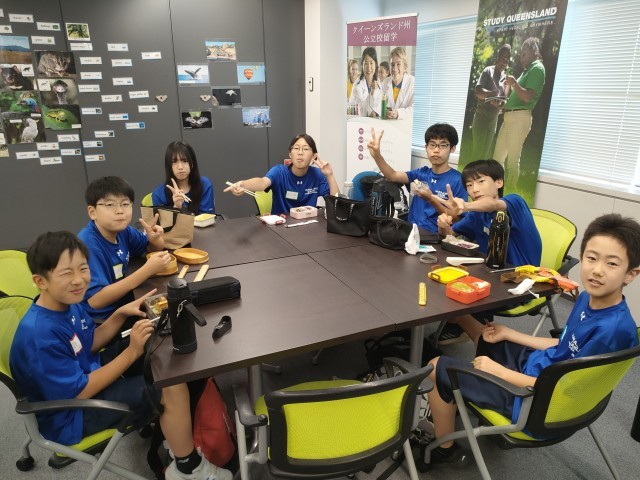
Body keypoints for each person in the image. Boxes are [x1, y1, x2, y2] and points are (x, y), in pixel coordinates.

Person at [421, 213, 640, 471]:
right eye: (592, 258)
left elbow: (562, 390)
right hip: (538, 372)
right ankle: (463, 392)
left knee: (436, 366)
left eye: (612, 263)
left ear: (631, 274)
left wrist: (500, 372)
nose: (597, 270)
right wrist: (510, 334)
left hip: (534, 404)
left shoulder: (612, 331)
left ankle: (445, 450)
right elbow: (565, 348)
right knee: (487, 334)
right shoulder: (588, 300)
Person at [9, 231, 232, 480]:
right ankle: (188, 469)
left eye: (83, 269)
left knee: (158, 347)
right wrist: (130, 352)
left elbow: (88, 344)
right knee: (169, 384)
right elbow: (79, 392)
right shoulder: (40, 336)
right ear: (40, 281)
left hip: (85, 373)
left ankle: (176, 434)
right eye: (66, 273)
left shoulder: (66, 302)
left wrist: (119, 315)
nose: (79, 280)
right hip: (70, 414)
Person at [433, 159, 542, 344]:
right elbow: (451, 236)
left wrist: (464, 206)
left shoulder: (515, 203)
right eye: (469, 185)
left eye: (481, 181)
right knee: (439, 281)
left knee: (454, 294)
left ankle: (473, 331)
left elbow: (493, 205)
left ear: (499, 182)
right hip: (488, 275)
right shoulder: (476, 215)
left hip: (519, 284)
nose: (474, 189)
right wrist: (443, 226)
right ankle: (461, 322)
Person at [78, 176, 171, 320]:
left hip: (124, 302)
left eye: (125, 204)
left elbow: (151, 248)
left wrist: (155, 239)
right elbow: (96, 301)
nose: (120, 211)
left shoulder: (123, 230)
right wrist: (147, 270)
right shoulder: (88, 244)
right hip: (101, 319)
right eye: (110, 205)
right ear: (92, 212)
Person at [367, 123, 467, 233]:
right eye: (432, 145)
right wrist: (377, 156)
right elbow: (392, 176)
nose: (436, 150)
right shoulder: (421, 173)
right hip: (410, 232)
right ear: (426, 147)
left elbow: (457, 220)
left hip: (434, 236)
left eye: (443, 145)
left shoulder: (458, 180)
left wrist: (431, 199)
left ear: (452, 148)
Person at [224, 133, 339, 215]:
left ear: (314, 155)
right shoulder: (279, 172)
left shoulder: (317, 174)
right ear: (290, 153)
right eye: (296, 148)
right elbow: (262, 183)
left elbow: (336, 205)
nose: (300, 153)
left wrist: (330, 175)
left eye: (305, 149)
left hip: (308, 226)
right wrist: (243, 184)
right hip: (281, 227)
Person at [493, 37, 545, 192]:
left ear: (534, 52)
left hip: (519, 118)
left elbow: (527, 96)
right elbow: (516, 95)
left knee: (512, 159)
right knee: (497, 159)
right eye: (521, 55)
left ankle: (510, 193)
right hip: (509, 118)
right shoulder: (527, 70)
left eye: (524, 54)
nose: (521, 58)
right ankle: (496, 192)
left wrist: (514, 83)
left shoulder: (537, 68)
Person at [151, 141, 215, 215]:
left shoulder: (205, 185)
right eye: (174, 161)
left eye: (185, 161)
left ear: (192, 164)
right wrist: (177, 207)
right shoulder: (158, 195)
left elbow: (207, 217)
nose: (180, 167)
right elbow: (164, 222)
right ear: (169, 166)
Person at [471, 44, 511, 160]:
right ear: (497, 58)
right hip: (481, 119)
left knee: (485, 155)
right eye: (502, 58)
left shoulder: (505, 78)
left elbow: (504, 100)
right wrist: (491, 94)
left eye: (506, 60)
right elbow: (478, 92)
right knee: (477, 154)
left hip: (493, 122)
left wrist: (500, 104)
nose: (504, 62)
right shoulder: (487, 71)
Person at [381, 46, 415, 120]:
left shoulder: (412, 82)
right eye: (392, 64)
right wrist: (384, 112)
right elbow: (379, 106)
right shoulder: (385, 83)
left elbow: (415, 109)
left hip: (405, 125)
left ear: (405, 66)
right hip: (388, 124)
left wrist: (399, 113)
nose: (394, 68)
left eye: (398, 64)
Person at [349, 47, 382, 117]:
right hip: (358, 121)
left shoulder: (379, 82)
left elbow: (380, 105)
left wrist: (375, 111)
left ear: (376, 64)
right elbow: (362, 111)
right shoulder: (357, 85)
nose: (369, 67)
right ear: (362, 65)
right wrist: (372, 93)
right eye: (366, 63)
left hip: (376, 120)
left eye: (371, 63)